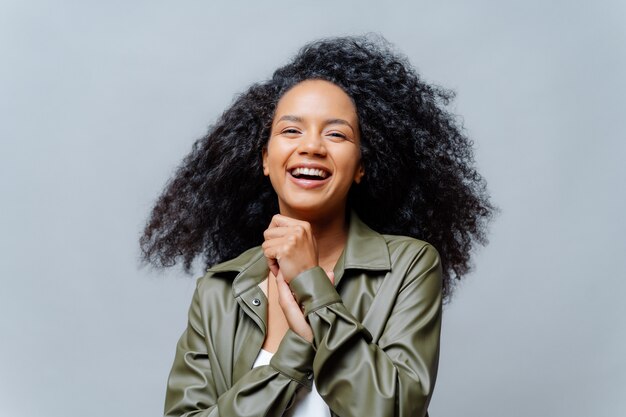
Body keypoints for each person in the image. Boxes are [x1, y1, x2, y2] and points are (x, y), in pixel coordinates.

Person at [140, 35, 494, 417]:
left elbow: (392, 409)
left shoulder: (408, 267)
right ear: (265, 158)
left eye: (336, 133)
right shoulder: (219, 292)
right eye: (291, 130)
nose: (311, 146)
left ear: (360, 166)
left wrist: (312, 283)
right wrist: (291, 358)